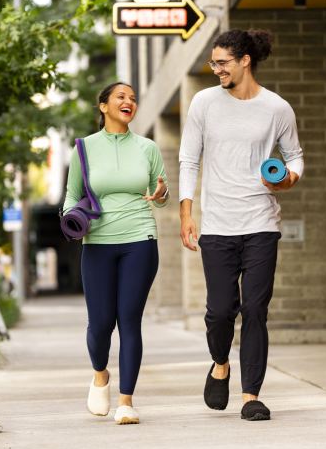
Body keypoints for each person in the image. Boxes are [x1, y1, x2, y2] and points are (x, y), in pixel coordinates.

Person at [178, 29, 304, 421]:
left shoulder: (277, 108)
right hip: (217, 224)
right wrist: (186, 213)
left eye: (222, 62)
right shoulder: (204, 103)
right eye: (213, 63)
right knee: (219, 312)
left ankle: (251, 396)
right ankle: (220, 363)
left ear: (245, 60)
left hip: (261, 221)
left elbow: (296, 157)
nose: (216, 69)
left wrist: (285, 179)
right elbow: (189, 160)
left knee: (255, 308)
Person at [63, 82, 169, 425]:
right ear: (104, 106)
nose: (129, 102)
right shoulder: (83, 149)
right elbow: (71, 195)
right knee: (100, 325)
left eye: (133, 99)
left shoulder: (148, 147)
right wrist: (70, 219)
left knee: (129, 320)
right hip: (97, 244)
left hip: (140, 237)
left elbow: (160, 193)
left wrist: (163, 191)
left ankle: (126, 402)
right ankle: (99, 374)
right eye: (121, 97)